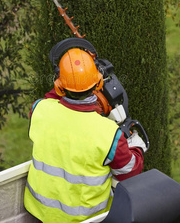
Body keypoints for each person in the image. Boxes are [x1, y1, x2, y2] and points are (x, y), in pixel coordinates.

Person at [24, 47, 146, 223]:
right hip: (85, 219)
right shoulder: (109, 133)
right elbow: (129, 172)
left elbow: (53, 99)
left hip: (38, 212)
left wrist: (70, 77)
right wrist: (136, 146)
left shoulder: (39, 109)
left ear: (59, 84)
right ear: (98, 84)